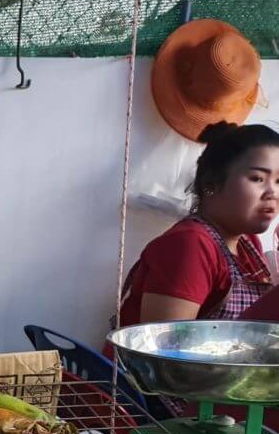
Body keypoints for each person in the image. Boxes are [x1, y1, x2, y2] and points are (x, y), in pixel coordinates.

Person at [116, 121, 279, 329]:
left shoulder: (248, 242)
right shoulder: (190, 244)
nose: (272, 193)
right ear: (210, 183)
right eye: (257, 179)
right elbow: (165, 351)